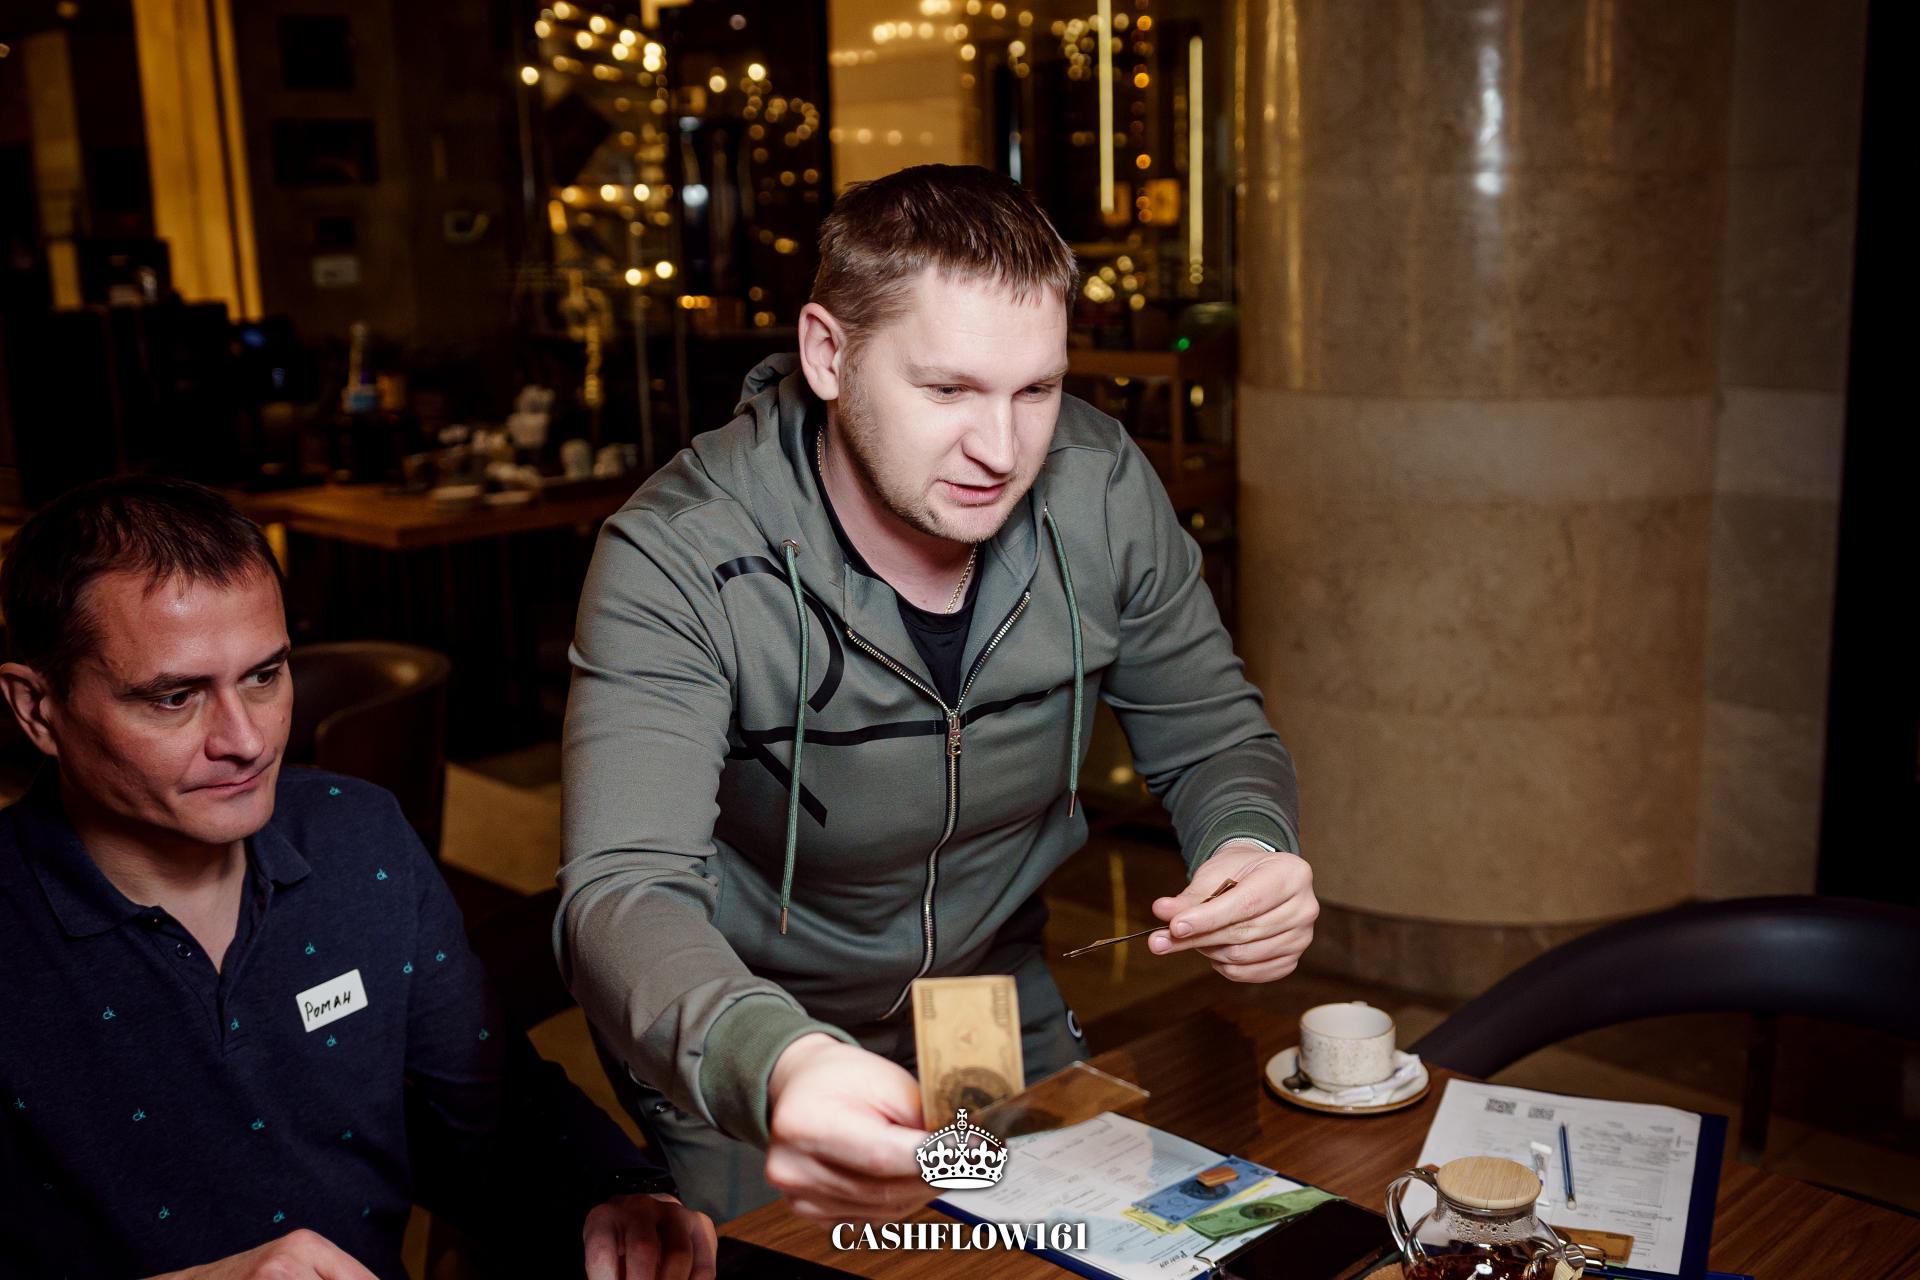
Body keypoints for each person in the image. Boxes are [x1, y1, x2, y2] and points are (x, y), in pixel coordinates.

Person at [558, 164, 1317, 1224]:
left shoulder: (1101, 488)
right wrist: (772, 1061)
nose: (1000, 451)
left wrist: (1247, 843)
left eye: (1037, 390)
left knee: (1049, 1251)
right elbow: (622, 889)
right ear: (828, 353)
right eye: (948, 390)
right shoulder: (677, 552)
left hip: (986, 997)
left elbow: (1214, 735)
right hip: (747, 1017)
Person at [0, 477, 716, 1280]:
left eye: (264, 676)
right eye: (174, 698)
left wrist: (617, 1192)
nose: (246, 741)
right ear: (37, 709)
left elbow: (495, 1108)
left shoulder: (357, 835)